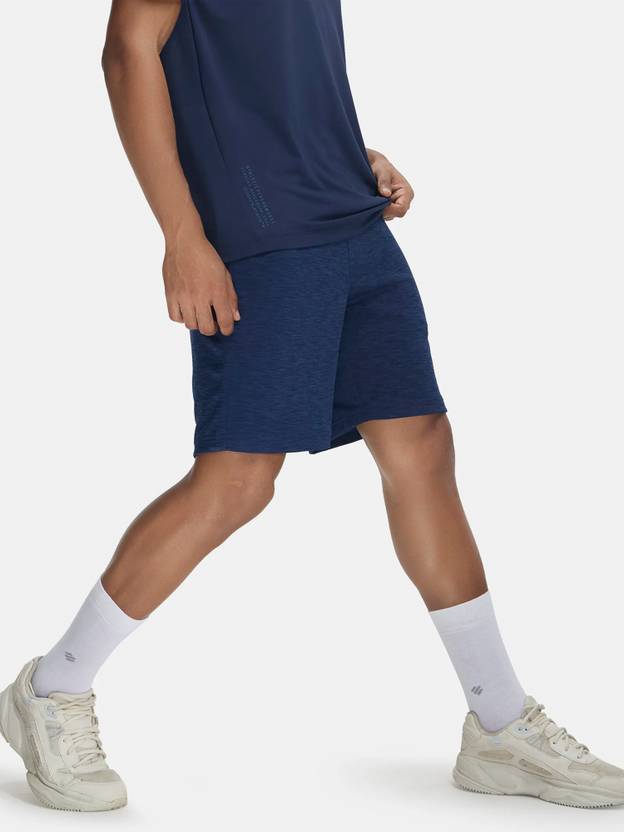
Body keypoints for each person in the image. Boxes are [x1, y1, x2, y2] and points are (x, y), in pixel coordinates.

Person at [1, 0, 622, 814]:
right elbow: (128, 52)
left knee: (422, 447)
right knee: (237, 481)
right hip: (261, 239)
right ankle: (51, 689)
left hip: (349, 220)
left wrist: (343, 153)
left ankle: (501, 725)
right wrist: (182, 235)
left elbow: (271, 70)